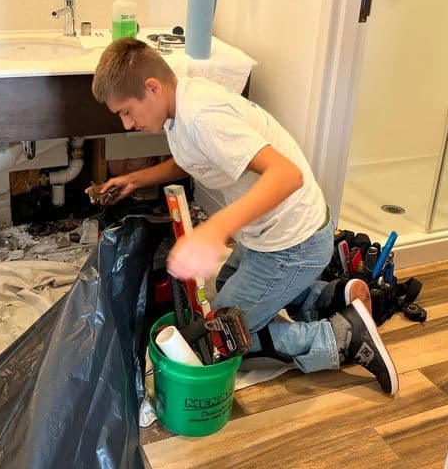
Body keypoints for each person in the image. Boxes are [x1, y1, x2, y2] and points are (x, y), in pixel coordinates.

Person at [90, 37, 398, 395]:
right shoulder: (181, 108)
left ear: (152, 88)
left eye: (127, 111)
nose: (127, 124)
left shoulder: (203, 117)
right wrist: (135, 179)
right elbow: (192, 158)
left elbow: (287, 176)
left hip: (294, 243)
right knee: (225, 289)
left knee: (222, 336)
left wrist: (215, 230)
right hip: (271, 234)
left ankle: (342, 336)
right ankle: (327, 298)